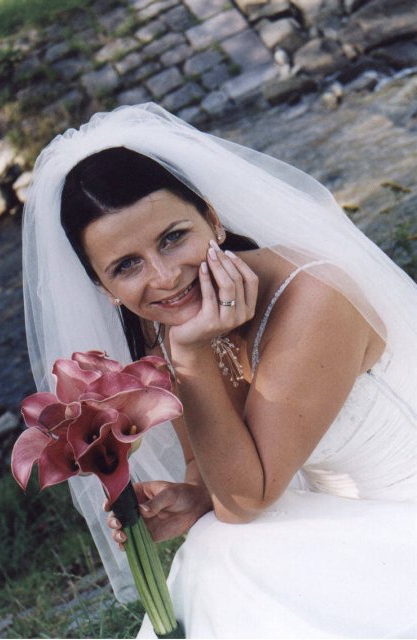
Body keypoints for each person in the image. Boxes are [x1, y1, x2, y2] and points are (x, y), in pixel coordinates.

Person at [23, 103, 417, 638]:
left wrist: (189, 356)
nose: (165, 277)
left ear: (213, 218)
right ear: (103, 288)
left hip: (402, 511)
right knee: (218, 550)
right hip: (330, 515)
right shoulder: (169, 319)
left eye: (173, 237)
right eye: (126, 266)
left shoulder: (315, 298)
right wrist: (194, 496)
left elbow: (246, 500)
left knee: (227, 550)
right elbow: (205, 466)